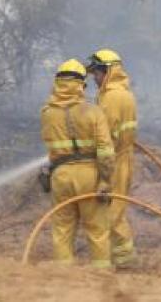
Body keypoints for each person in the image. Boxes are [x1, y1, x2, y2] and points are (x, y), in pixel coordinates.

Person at [39, 58, 115, 267]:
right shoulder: (93, 111)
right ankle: (101, 275)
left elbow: (49, 144)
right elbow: (106, 152)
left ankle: (64, 277)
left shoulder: (47, 113)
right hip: (89, 176)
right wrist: (105, 180)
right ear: (81, 85)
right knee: (97, 229)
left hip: (61, 176)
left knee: (62, 228)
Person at [87, 49, 138, 269]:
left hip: (113, 161)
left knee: (109, 213)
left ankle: (124, 263)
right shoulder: (123, 93)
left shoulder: (111, 97)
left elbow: (104, 136)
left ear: (107, 71)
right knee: (115, 210)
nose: (94, 79)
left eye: (96, 73)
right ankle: (123, 260)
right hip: (122, 157)